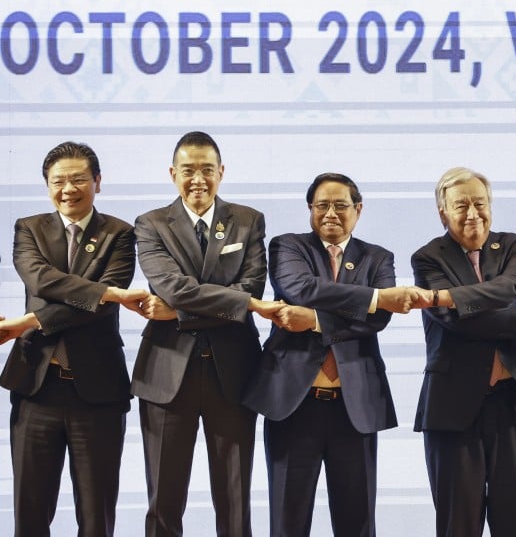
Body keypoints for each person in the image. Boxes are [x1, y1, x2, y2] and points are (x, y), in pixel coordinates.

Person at [243, 172, 430, 537]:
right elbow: (300, 289)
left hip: (354, 405)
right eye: (321, 205)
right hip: (293, 404)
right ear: (310, 209)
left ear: (358, 210)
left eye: (340, 205)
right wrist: (373, 298)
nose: (331, 213)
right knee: (287, 520)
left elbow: (377, 320)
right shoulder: (288, 247)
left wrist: (313, 320)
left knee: (357, 521)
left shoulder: (378, 257)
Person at [131, 131, 283, 537]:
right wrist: (234, 305)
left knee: (234, 500)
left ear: (221, 172)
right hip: (166, 374)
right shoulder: (150, 224)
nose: (198, 179)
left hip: (233, 373)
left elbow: (250, 290)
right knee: (164, 501)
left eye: (207, 170)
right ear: (172, 173)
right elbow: (172, 286)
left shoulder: (248, 220)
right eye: (188, 170)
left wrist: (179, 312)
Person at [410, 167, 516, 537]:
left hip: (515, 401)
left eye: (479, 203)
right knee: (458, 524)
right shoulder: (428, 258)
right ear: (443, 213)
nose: (472, 213)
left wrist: (453, 298)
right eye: (461, 205)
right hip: (452, 406)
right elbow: (457, 321)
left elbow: (513, 287)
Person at [0, 141, 149, 537]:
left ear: (97, 182)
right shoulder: (28, 228)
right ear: (48, 185)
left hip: (97, 393)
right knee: (29, 514)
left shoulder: (120, 233)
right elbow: (39, 279)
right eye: (58, 181)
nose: (68, 189)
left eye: (78, 179)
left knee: (96, 516)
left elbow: (100, 305)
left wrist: (28, 320)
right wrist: (103, 292)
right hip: (36, 388)